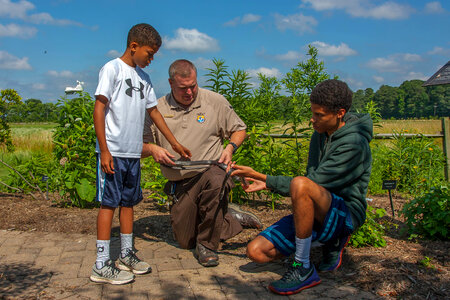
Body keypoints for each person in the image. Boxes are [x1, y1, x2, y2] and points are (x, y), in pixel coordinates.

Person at [230, 79, 373, 295]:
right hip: (317, 209)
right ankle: (325, 242)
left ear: (340, 113)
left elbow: (311, 183)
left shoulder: (354, 144)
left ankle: (303, 265)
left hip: (345, 213)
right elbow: (312, 179)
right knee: (256, 252)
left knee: (300, 184)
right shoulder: (320, 134)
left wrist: (264, 179)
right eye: (312, 112)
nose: (312, 119)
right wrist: (268, 183)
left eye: (319, 115)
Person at [91, 24, 191, 285]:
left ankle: (126, 254)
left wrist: (175, 143)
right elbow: (99, 108)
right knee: (108, 204)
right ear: (134, 47)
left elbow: (154, 113)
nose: (152, 58)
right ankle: (101, 263)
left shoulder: (144, 79)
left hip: (133, 154)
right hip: (112, 151)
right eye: (150, 52)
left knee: (128, 203)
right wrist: (104, 150)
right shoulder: (112, 69)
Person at [142, 59, 262, 267]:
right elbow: (138, 147)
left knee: (216, 179)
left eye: (193, 86)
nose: (189, 92)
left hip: (211, 171)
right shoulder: (156, 109)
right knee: (185, 240)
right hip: (180, 182)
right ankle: (229, 218)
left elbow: (239, 129)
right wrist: (152, 149)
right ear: (171, 83)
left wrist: (230, 147)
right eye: (183, 88)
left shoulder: (214, 101)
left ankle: (207, 246)